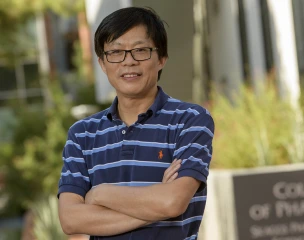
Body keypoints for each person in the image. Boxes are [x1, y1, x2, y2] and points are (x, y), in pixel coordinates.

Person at [58, 6, 214, 240]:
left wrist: (100, 194)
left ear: (161, 59)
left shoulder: (190, 120)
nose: (128, 61)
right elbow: (71, 220)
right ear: (102, 63)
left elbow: (173, 202)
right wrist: (157, 203)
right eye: (116, 52)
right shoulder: (82, 135)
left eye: (141, 50)